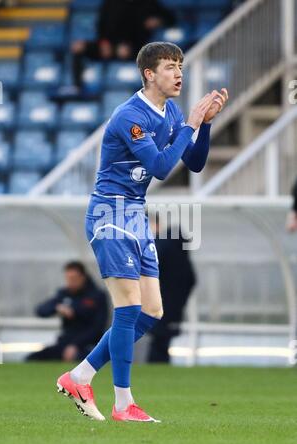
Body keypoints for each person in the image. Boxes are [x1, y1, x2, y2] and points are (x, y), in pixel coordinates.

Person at [57, 41, 228, 422]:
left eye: (180, 65)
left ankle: (80, 375)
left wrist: (206, 123)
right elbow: (161, 166)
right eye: (170, 66)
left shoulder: (171, 112)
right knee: (130, 307)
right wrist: (191, 125)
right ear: (150, 74)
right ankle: (123, 404)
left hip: (135, 213)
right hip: (109, 213)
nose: (178, 73)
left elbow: (194, 163)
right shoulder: (130, 116)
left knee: (151, 311)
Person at [69, 0, 175, 93]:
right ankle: (77, 87)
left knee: (124, 51)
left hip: (135, 47)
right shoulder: (111, 2)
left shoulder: (148, 2)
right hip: (108, 44)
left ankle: (130, 90)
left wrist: (157, 21)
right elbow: (101, 25)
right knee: (78, 47)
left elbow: (171, 18)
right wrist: (104, 43)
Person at [26, 261, 109, 362]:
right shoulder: (64, 294)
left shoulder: (97, 296)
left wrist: (75, 345)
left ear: (83, 277)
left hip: (88, 345)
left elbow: (97, 327)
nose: (70, 282)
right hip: (64, 343)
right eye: (68, 278)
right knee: (32, 358)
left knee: (83, 360)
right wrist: (57, 308)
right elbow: (41, 311)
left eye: (74, 279)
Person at [147, 218, 197, 363]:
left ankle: (156, 369)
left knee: (158, 343)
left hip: (160, 303)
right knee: (161, 342)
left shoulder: (160, 247)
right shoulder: (178, 250)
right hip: (172, 305)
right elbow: (191, 279)